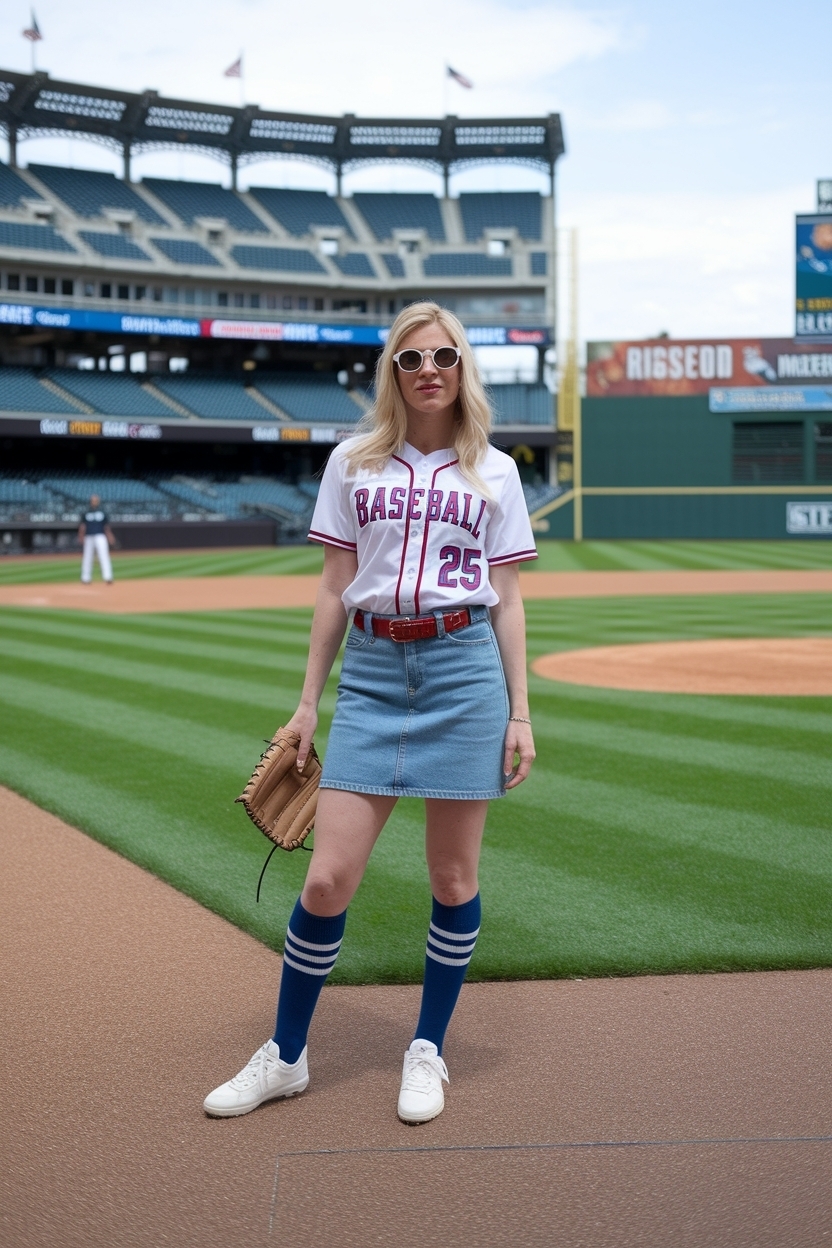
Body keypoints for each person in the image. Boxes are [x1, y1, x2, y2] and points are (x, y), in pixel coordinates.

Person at [204, 301, 537, 1125]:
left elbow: (508, 599)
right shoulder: (353, 462)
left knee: (453, 877)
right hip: (375, 671)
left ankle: (427, 1047)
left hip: (464, 673)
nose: (430, 372)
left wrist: (519, 712)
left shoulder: (494, 470)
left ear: (465, 369)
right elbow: (331, 589)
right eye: (412, 360)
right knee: (325, 878)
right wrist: (307, 704)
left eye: (445, 357)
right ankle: (285, 1056)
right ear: (392, 372)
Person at [78, 495, 115, 584]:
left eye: (96, 500)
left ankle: (108, 577)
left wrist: (110, 536)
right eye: (93, 500)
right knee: (87, 557)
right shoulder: (86, 513)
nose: (94, 502)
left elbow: (106, 526)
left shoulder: (102, 512)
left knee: (104, 556)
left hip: (100, 536)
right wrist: (81, 536)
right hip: (89, 536)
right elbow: (82, 526)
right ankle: (85, 578)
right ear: (90, 501)